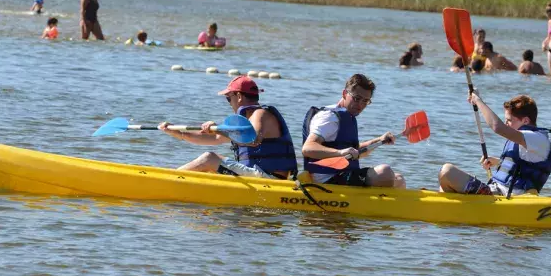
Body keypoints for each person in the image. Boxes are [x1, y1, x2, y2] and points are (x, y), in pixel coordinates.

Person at [159, 76, 297, 179]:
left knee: (209, 158)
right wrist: (178, 133)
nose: (229, 103)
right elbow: (214, 138)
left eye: (228, 98)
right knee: (209, 168)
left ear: (239, 96)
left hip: (270, 179)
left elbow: (253, 139)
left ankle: (168, 180)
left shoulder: (260, 114)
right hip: (258, 175)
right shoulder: (246, 121)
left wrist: (219, 129)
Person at [439, 93, 551, 196]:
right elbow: (522, 167)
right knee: (446, 184)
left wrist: (478, 101)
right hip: (495, 191)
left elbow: (497, 127)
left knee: (447, 171)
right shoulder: (527, 139)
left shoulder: (536, 138)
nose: (506, 123)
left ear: (525, 121)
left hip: (506, 197)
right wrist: (498, 162)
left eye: (509, 120)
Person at [301, 74, 405, 188]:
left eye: (365, 101)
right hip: (328, 180)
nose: (360, 105)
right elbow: (308, 148)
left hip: (344, 174)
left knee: (398, 179)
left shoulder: (347, 116)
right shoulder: (329, 117)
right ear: (344, 94)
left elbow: (356, 152)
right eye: (356, 98)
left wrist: (380, 140)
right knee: (384, 172)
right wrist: (340, 153)